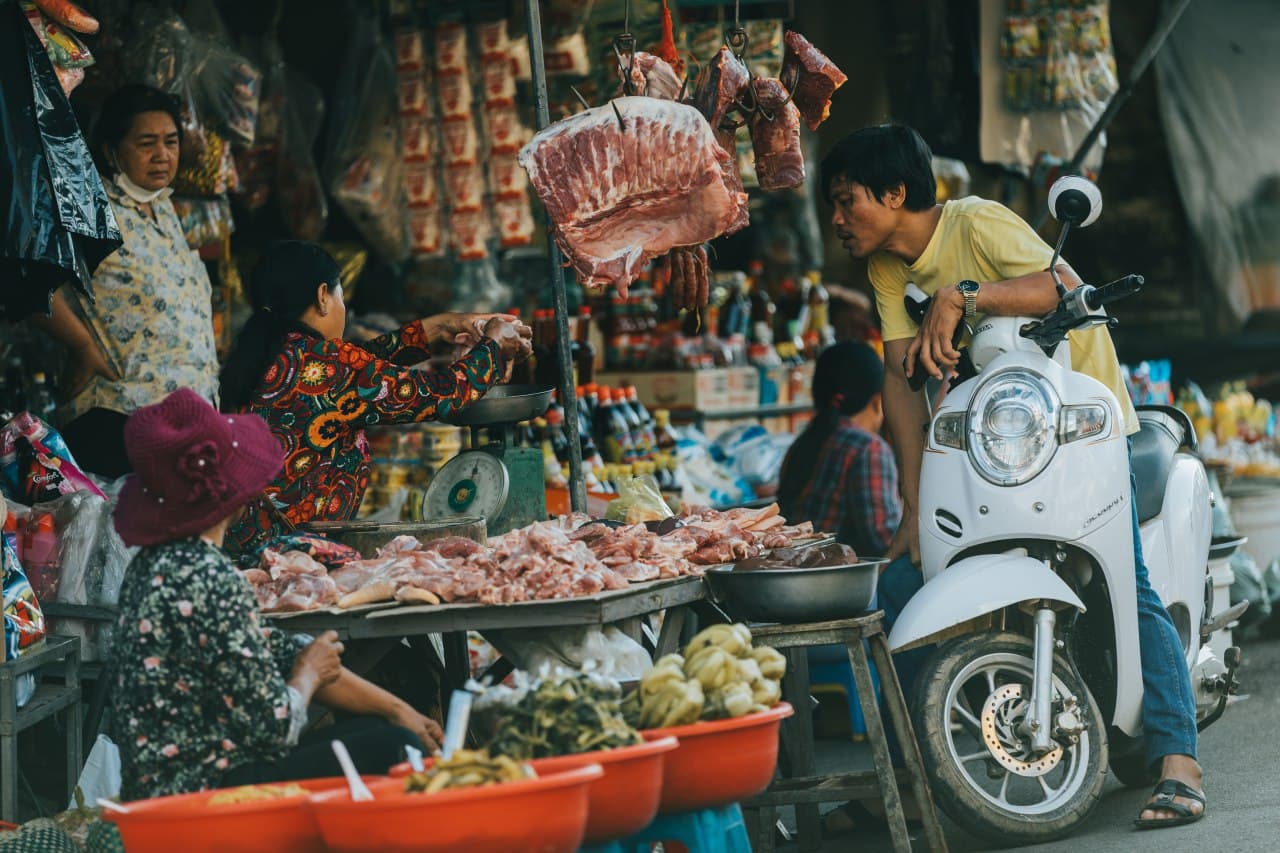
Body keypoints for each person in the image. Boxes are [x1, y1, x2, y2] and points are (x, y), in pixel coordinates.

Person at [821, 123, 1204, 828]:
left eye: (847, 202)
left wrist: (964, 294)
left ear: (895, 192)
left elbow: (1065, 285)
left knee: (1124, 575)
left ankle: (1177, 758)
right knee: (901, 588)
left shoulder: (974, 219)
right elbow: (902, 387)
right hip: (992, 445)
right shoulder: (885, 271)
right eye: (834, 205)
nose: (836, 220)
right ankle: (905, 775)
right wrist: (910, 506)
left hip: (1082, 425)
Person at [109, 389, 443, 801]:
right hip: (202, 794)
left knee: (384, 730)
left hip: (163, 785)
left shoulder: (149, 566)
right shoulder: (210, 577)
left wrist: (397, 709)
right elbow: (273, 726)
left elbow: (284, 653)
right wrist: (308, 675)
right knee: (396, 750)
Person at [219, 241, 530, 560]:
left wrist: (445, 326)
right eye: (341, 297)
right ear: (323, 296)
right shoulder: (328, 364)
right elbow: (444, 393)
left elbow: (363, 366)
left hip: (243, 548)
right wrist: (493, 344)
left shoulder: (263, 358)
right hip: (293, 558)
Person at [34, 85, 218, 479]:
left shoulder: (164, 208)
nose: (162, 155)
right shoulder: (91, 210)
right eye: (146, 143)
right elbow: (28, 279)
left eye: (171, 142)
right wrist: (83, 345)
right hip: (119, 419)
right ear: (111, 150)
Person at [776, 341, 899, 558]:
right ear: (878, 401)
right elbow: (884, 538)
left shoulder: (805, 440)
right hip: (837, 581)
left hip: (794, 571)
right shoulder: (868, 449)